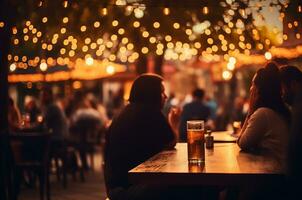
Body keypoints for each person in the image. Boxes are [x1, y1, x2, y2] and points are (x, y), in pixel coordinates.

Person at [104, 74, 179, 200]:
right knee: (190, 188)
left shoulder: (125, 112)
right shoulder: (150, 112)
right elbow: (171, 142)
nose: (165, 96)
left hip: (116, 188)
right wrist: (174, 123)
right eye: (162, 92)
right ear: (152, 94)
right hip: (133, 189)